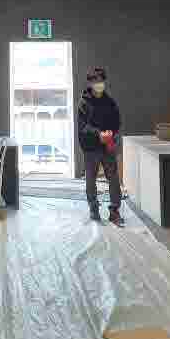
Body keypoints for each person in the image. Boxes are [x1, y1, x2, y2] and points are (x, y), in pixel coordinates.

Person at [77, 66, 124, 226]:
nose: (99, 84)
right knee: (91, 179)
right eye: (96, 81)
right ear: (90, 83)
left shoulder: (110, 102)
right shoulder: (84, 103)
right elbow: (83, 126)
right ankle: (94, 208)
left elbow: (117, 121)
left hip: (107, 146)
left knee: (114, 178)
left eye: (101, 81)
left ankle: (114, 210)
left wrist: (111, 133)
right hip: (91, 148)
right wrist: (98, 134)